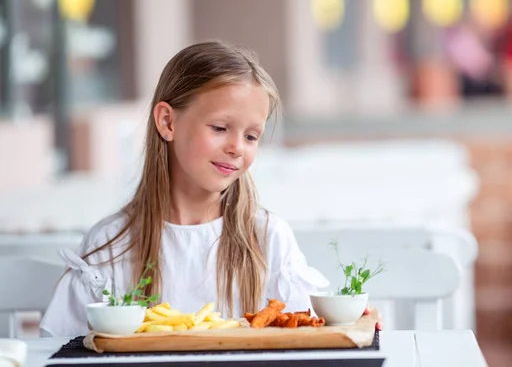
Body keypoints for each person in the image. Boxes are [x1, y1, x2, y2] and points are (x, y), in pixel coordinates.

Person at [40, 41, 337, 337]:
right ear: (168, 122)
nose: (236, 148)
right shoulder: (111, 246)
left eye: (251, 136)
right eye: (220, 128)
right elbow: (61, 351)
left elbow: (307, 341)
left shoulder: (269, 240)